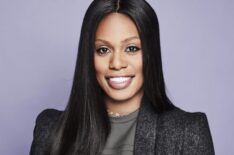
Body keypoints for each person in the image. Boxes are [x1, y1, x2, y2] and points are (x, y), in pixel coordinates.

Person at [30, 0, 215, 154]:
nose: (117, 63)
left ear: (151, 53)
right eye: (103, 49)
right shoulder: (50, 130)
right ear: (88, 57)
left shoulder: (187, 132)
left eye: (132, 48)